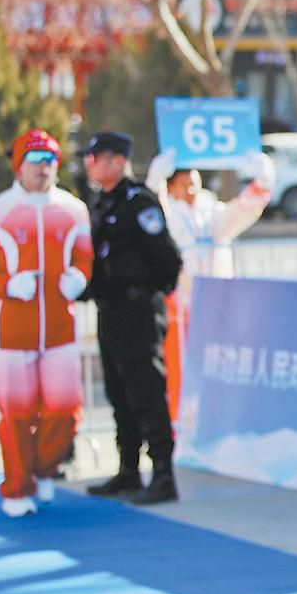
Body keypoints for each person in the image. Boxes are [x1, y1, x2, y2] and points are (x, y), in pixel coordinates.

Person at [0, 129, 93, 517]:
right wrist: (7, 286)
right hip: (10, 334)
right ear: (19, 167)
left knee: (65, 411)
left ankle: (43, 469)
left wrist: (80, 277)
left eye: (49, 161)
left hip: (59, 330)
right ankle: (17, 489)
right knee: (16, 416)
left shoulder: (73, 211)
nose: (43, 168)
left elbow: (84, 257)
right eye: (34, 161)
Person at [81, 131, 183, 505]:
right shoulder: (103, 202)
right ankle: (128, 469)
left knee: (146, 392)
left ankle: (163, 475)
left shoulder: (138, 202)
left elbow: (167, 259)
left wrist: (144, 293)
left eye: (96, 158)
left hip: (138, 310)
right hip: (110, 310)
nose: (90, 165)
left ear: (116, 161)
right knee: (119, 392)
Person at [145, 149, 275, 421]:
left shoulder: (211, 212)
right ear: (172, 187)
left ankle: (218, 424)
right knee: (182, 371)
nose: (191, 188)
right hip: (181, 310)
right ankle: (181, 427)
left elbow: (241, 212)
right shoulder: (169, 215)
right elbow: (153, 210)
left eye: (194, 181)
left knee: (220, 370)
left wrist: (262, 183)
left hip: (218, 307)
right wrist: (154, 180)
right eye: (184, 183)